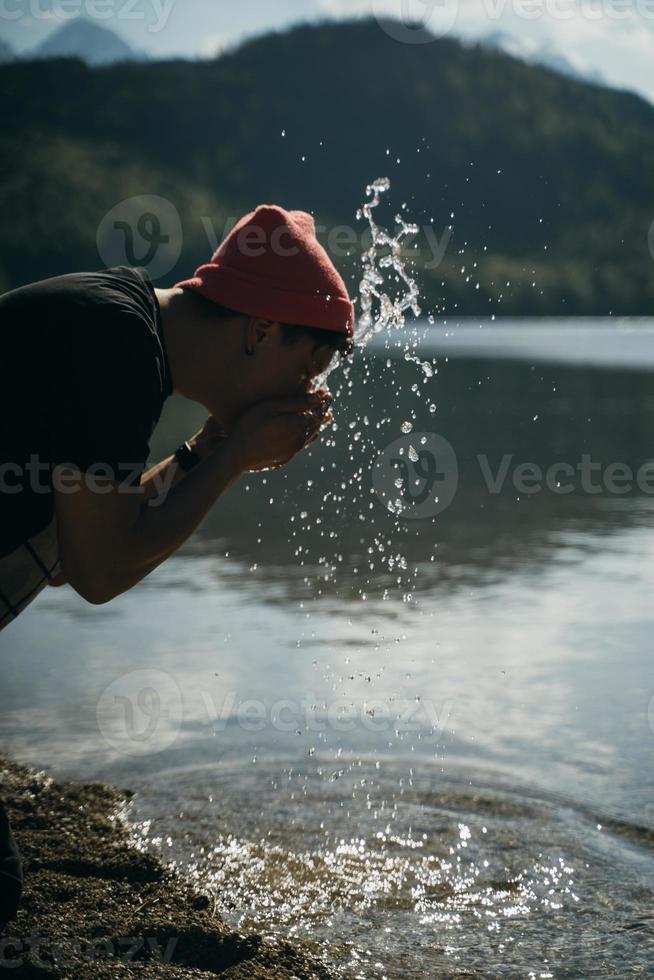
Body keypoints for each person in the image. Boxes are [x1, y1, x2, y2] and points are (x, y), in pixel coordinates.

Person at [0, 203, 355, 923]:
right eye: (307, 368)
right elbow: (97, 574)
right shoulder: (114, 346)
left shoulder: (123, 325)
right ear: (260, 330)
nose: (306, 395)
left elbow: (76, 548)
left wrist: (203, 450)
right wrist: (229, 461)